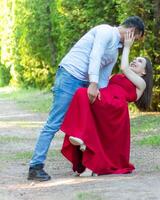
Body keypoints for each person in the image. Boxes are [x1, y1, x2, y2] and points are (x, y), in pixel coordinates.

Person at [28, 16, 145, 181]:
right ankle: (35, 166)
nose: (134, 43)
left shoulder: (115, 50)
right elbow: (95, 56)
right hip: (70, 76)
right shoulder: (105, 31)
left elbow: (104, 76)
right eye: (136, 38)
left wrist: (101, 95)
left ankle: (89, 159)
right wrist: (93, 83)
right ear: (132, 32)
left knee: (90, 118)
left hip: (87, 82)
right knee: (54, 123)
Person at [60, 31, 153, 176]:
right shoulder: (120, 76)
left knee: (80, 93)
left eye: (140, 61)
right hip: (105, 97)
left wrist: (127, 47)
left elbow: (124, 67)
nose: (135, 61)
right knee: (82, 96)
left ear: (144, 72)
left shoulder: (141, 83)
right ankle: (86, 156)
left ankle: (82, 137)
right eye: (135, 59)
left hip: (114, 106)